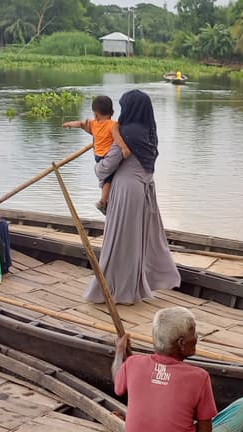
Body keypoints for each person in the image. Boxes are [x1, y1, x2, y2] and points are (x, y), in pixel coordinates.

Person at [92, 307, 243, 432]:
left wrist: (119, 351)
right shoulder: (199, 377)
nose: (196, 337)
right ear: (181, 343)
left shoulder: (133, 363)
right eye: (193, 333)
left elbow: (118, 383)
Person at [83, 89, 181, 305]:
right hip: (144, 191)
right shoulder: (149, 132)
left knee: (120, 242)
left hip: (126, 191)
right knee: (136, 241)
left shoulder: (125, 133)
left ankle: (118, 291)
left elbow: (107, 166)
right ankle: (136, 285)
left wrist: (98, 165)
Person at [62, 95, 131, 215]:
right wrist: (125, 148)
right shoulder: (113, 125)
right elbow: (117, 138)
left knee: (105, 179)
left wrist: (68, 124)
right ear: (113, 112)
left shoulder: (93, 123)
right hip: (107, 156)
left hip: (97, 156)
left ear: (95, 114)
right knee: (108, 179)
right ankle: (103, 201)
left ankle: (105, 200)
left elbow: (80, 124)